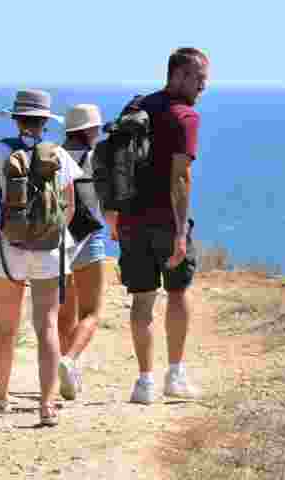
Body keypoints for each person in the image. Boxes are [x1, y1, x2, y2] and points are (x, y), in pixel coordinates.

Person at [0, 89, 81, 427]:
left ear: (16, 118)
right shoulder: (60, 156)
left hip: (9, 248)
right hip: (49, 250)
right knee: (47, 325)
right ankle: (46, 406)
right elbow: (71, 207)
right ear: (45, 122)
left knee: (6, 325)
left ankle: (2, 394)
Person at [109, 47, 209, 405]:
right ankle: (176, 375)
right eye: (199, 79)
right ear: (179, 75)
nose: (203, 87)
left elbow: (113, 163)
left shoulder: (136, 108)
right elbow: (180, 177)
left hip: (132, 220)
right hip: (166, 222)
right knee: (178, 293)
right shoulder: (185, 118)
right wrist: (181, 231)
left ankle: (144, 382)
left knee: (142, 300)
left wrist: (114, 215)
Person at [56, 104, 109, 401]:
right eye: (96, 128)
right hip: (89, 237)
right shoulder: (96, 158)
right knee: (91, 313)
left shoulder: (52, 154)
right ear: (88, 130)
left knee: (66, 314)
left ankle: (63, 371)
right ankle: (69, 360)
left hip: (58, 241)